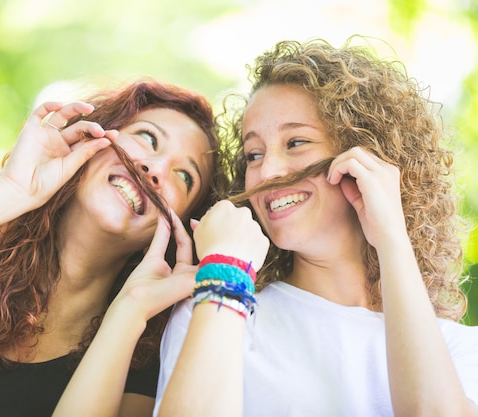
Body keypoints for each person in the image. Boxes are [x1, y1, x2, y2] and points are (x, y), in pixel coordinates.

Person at [0, 79, 230, 417]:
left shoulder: (147, 363)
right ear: (91, 140)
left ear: (181, 226)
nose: (156, 170)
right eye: (148, 138)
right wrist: (10, 191)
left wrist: (130, 310)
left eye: (185, 176)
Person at [154, 38, 478, 417]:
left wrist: (392, 237)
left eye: (295, 142)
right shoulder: (217, 307)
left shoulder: (459, 349)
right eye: (253, 154)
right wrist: (225, 269)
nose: (267, 172)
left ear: (364, 158)